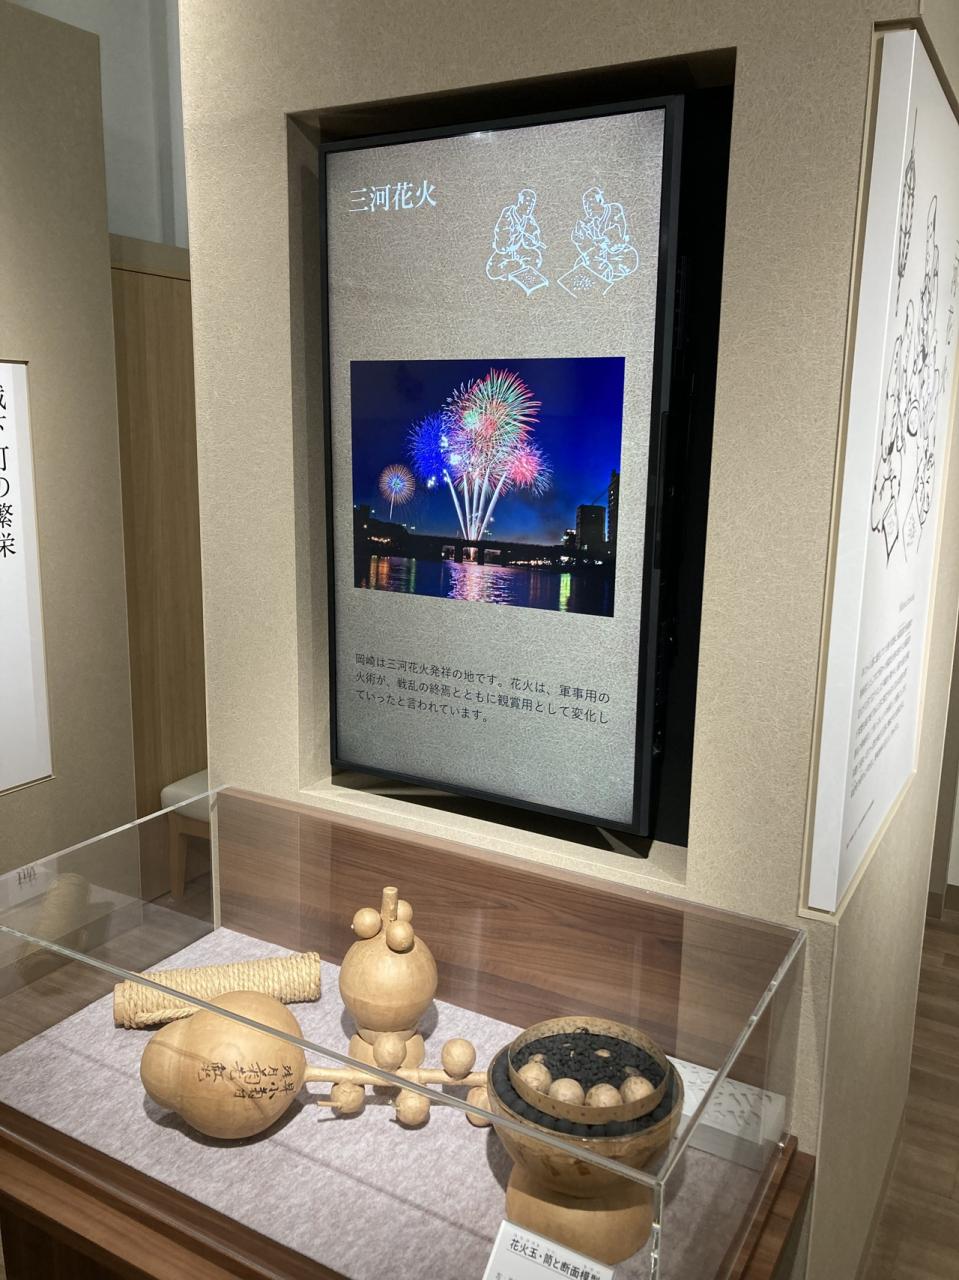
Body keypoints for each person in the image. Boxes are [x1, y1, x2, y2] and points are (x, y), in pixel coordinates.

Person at [571, 186, 638, 284]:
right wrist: (578, 235)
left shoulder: (614, 210)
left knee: (626, 261)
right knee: (580, 265)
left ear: (600, 201)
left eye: (591, 203)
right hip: (599, 257)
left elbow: (616, 239)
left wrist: (597, 242)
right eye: (585, 205)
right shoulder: (589, 222)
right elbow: (582, 244)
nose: (587, 208)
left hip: (619, 254)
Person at [486, 189, 546, 282]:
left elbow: (534, 237)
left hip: (520, 251)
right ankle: (514, 271)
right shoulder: (508, 213)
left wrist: (533, 239)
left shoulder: (528, 219)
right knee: (492, 271)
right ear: (520, 200)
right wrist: (513, 232)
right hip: (506, 252)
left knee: (536, 258)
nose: (530, 206)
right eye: (527, 202)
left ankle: (517, 271)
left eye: (532, 203)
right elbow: (501, 242)